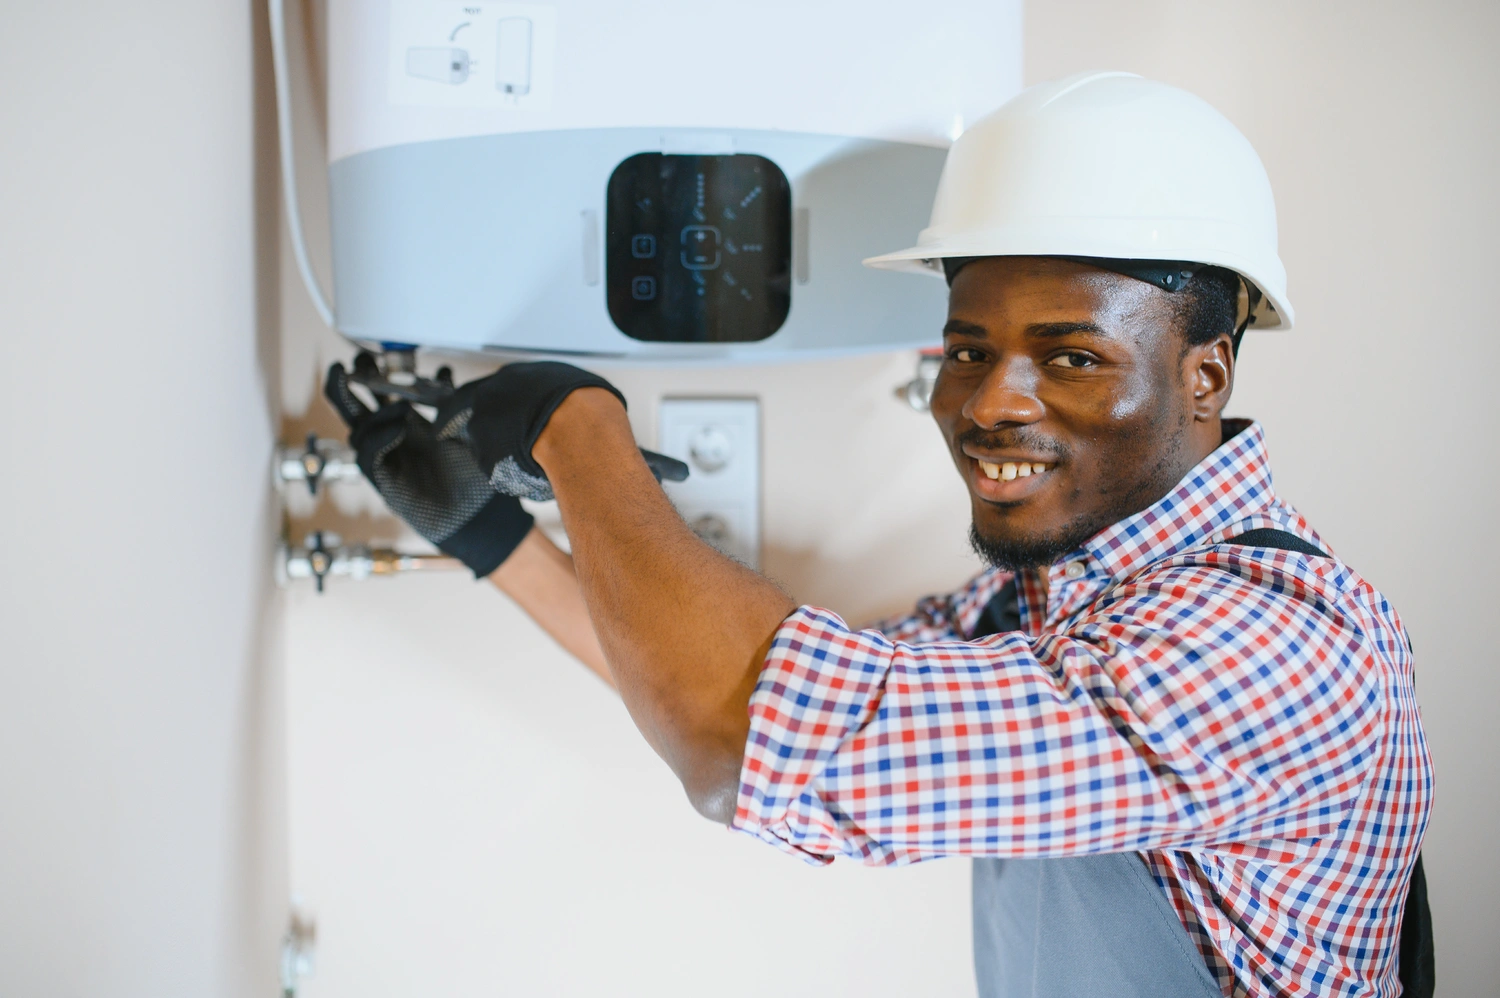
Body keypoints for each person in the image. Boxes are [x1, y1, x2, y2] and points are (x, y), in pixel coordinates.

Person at [325, 72, 1432, 998]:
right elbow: (717, 677)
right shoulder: (1043, 600)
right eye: (965, 349)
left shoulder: (1275, 646)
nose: (991, 401)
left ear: (1206, 376)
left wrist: (578, 425)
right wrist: (489, 535)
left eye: (1072, 356)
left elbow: (745, 734)